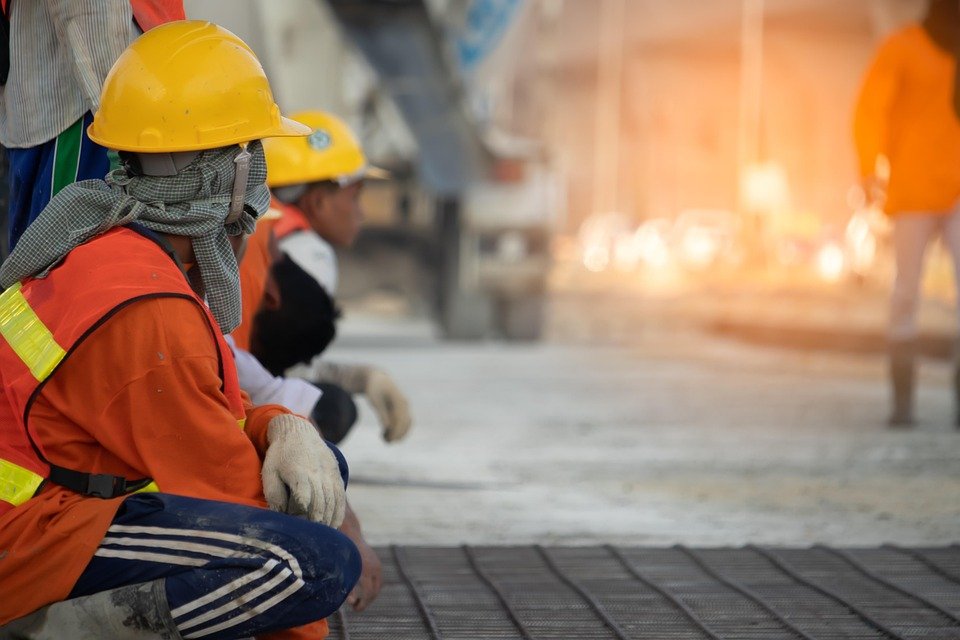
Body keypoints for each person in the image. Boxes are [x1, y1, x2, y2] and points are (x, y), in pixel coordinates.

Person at [0, 21, 359, 640]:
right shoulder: (149, 304)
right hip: (30, 540)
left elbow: (222, 414)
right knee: (313, 564)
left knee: (317, 473)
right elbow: (226, 488)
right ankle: (47, 629)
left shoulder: (118, 247)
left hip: (52, 513)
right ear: (229, 174)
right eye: (255, 154)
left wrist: (284, 426)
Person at [235, 110, 412, 446]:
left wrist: (361, 377)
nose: (361, 212)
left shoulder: (251, 226)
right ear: (317, 201)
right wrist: (359, 380)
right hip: (239, 399)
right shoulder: (310, 253)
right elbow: (285, 372)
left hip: (225, 378)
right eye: (355, 196)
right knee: (334, 406)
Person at [0, 0, 185, 253]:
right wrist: (121, 128)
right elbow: (91, 13)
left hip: (85, 104)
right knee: (74, 263)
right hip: (85, 112)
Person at [853, 0, 960, 427]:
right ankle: (902, 405)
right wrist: (869, 168)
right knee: (906, 294)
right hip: (912, 191)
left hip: (958, 191)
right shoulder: (902, 47)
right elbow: (869, 109)